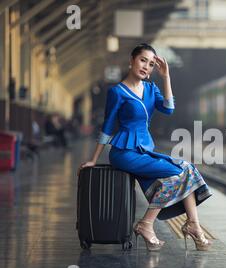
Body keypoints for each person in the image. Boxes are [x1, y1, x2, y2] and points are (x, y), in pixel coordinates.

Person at [78, 43, 212, 251]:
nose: (146, 67)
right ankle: (146, 224)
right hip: (124, 153)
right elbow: (107, 126)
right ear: (131, 61)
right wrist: (94, 159)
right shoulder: (117, 92)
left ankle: (193, 225)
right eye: (142, 60)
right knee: (177, 174)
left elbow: (168, 109)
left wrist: (166, 77)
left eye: (151, 64)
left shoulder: (151, 89)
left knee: (188, 169)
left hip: (144, 150)